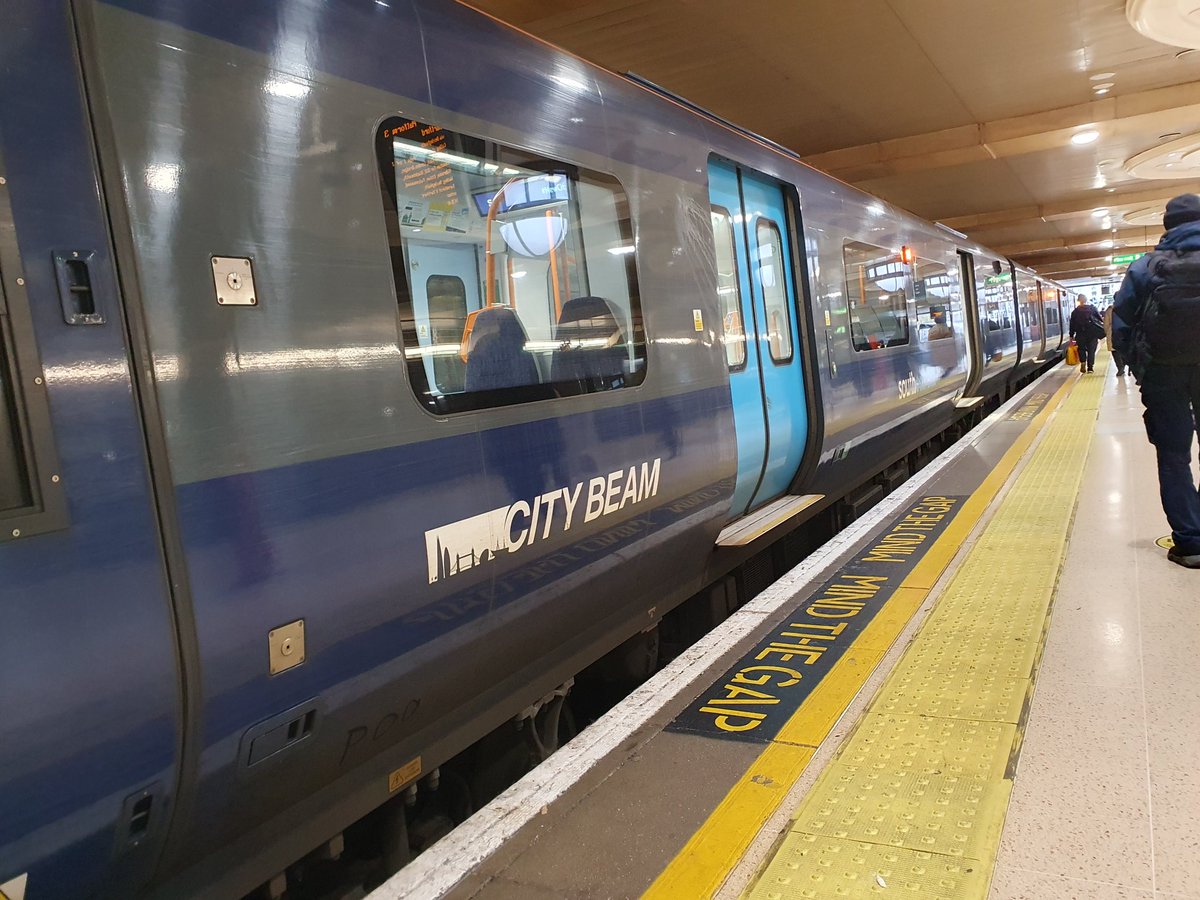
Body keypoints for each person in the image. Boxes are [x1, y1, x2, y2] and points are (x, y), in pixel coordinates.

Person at [1112, 193, 1200, 569]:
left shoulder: (1145, 267)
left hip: (1163, 371)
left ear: (1167, 228)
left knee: (1174, 455)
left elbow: (1122, 324)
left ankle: (1191, 542)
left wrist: (1137, 366)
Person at [1068, 293, 1102, 373]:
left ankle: (1083, 362)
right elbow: (1099, 319)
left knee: (1081, 349)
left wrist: (1071, 335)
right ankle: (1090, 368)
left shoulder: (1075, 312)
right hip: (1092, 333)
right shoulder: (1092, 309)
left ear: (1078, 301)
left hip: (1080, 334)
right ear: (1086, 300)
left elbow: (1072, 324)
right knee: (1091, 350)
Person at [1103, 303, 1127, 377]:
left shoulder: (1109, 310)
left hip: (1112, 331)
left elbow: (1106, 323)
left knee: (1115, 351)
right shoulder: (1125, 308)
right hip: (1124, 331)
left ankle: (1120, 367)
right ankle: (1123, 363)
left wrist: (1107, 332)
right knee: (1123, 349)